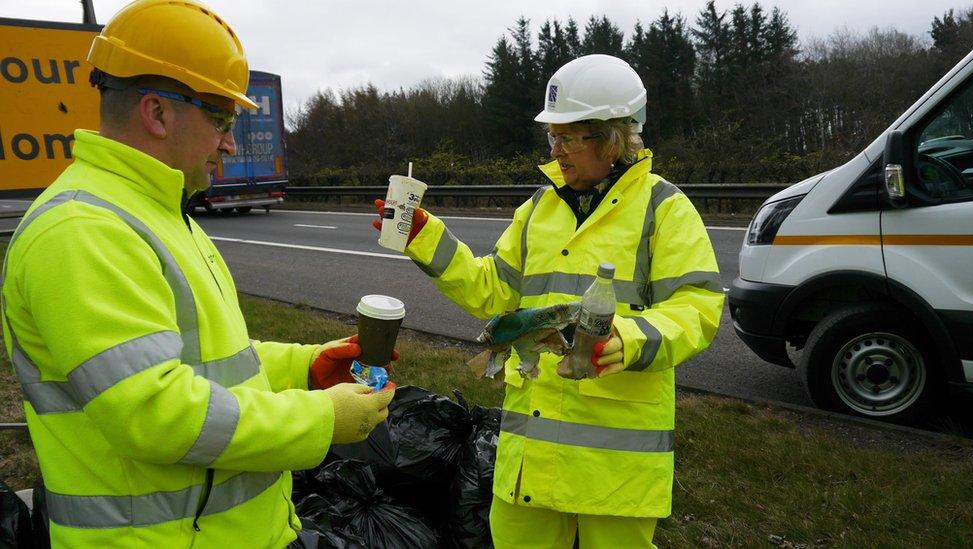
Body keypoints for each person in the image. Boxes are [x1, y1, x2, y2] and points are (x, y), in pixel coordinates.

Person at [0, 1, 394, 546]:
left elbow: (204, 361)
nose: (230, 142)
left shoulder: (155, 213)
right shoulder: (81, 228)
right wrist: (321, 419)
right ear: (157, 113)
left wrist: (304, 367)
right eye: (221, 119)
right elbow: (156, 412)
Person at [373, 54, 724, 547]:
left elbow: (698, 306)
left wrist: (632, 337)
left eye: (569, 137)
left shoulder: (664, 208)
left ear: (613, 137)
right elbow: (491, 289)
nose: (556, 150)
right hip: (531, 455)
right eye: (552, 137)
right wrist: (426, 238)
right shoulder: (539, 208)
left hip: (616, 464)